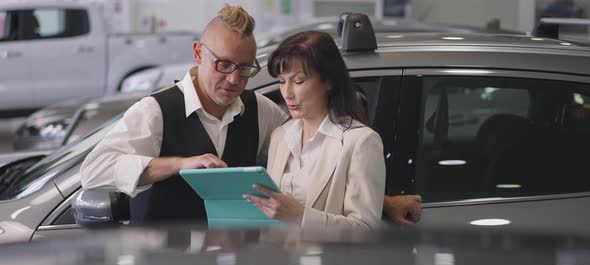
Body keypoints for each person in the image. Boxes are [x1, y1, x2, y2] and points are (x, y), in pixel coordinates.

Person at [80, 4, 422, 226]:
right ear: (199, 53)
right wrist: (176, 164)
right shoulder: (155, 110)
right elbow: (93, 171)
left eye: (245, 68)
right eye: (224, 64)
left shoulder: (264, 113)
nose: (234, 79)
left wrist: (383, 203)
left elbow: (317, 171)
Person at [243, 31, 384, 228]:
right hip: (277, 256)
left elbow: (366, 229)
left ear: (329, 81)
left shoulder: (361, 142)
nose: (287, 93)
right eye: (282, 81)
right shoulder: (280, 136)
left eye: (298, 81)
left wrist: (301, 216)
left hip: (326, 258)